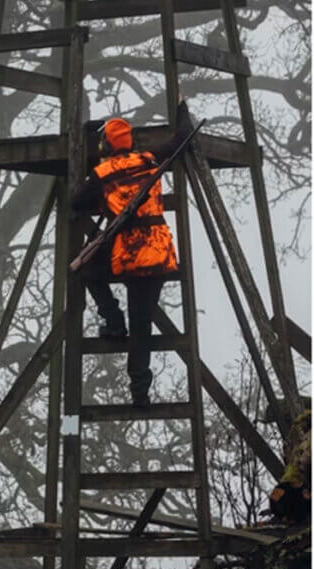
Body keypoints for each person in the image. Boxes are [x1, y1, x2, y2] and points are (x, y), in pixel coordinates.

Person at [71, 106, 191, 406]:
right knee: (142, 325)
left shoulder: (102, 172)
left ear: (107, 146)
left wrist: (97, 185)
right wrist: (181, 110)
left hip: (127, 251)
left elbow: (77, 201)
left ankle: (113, 320)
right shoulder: (150, 159)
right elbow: (180, 138)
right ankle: (140, 391)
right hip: (159, 251)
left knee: (87, 272)